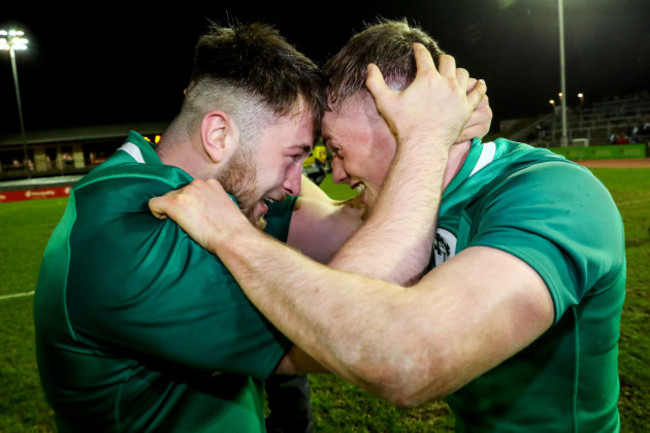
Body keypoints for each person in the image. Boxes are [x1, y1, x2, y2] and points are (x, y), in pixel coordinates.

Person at [150, 19, 626, 432]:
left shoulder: (554, 194)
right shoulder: (410, 205)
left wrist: (230, 235)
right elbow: (307, 215)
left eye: (335, 148)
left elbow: (408, 361)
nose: (334, 172)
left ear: (395, 119)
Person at [34, 19, 488, 433]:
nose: (298, 185)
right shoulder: (128, 242)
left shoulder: (210, 193)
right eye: (293, 156)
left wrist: (446, 140)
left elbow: (342, 226)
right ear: (219, 136)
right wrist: (428, 140)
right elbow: (374, 339)